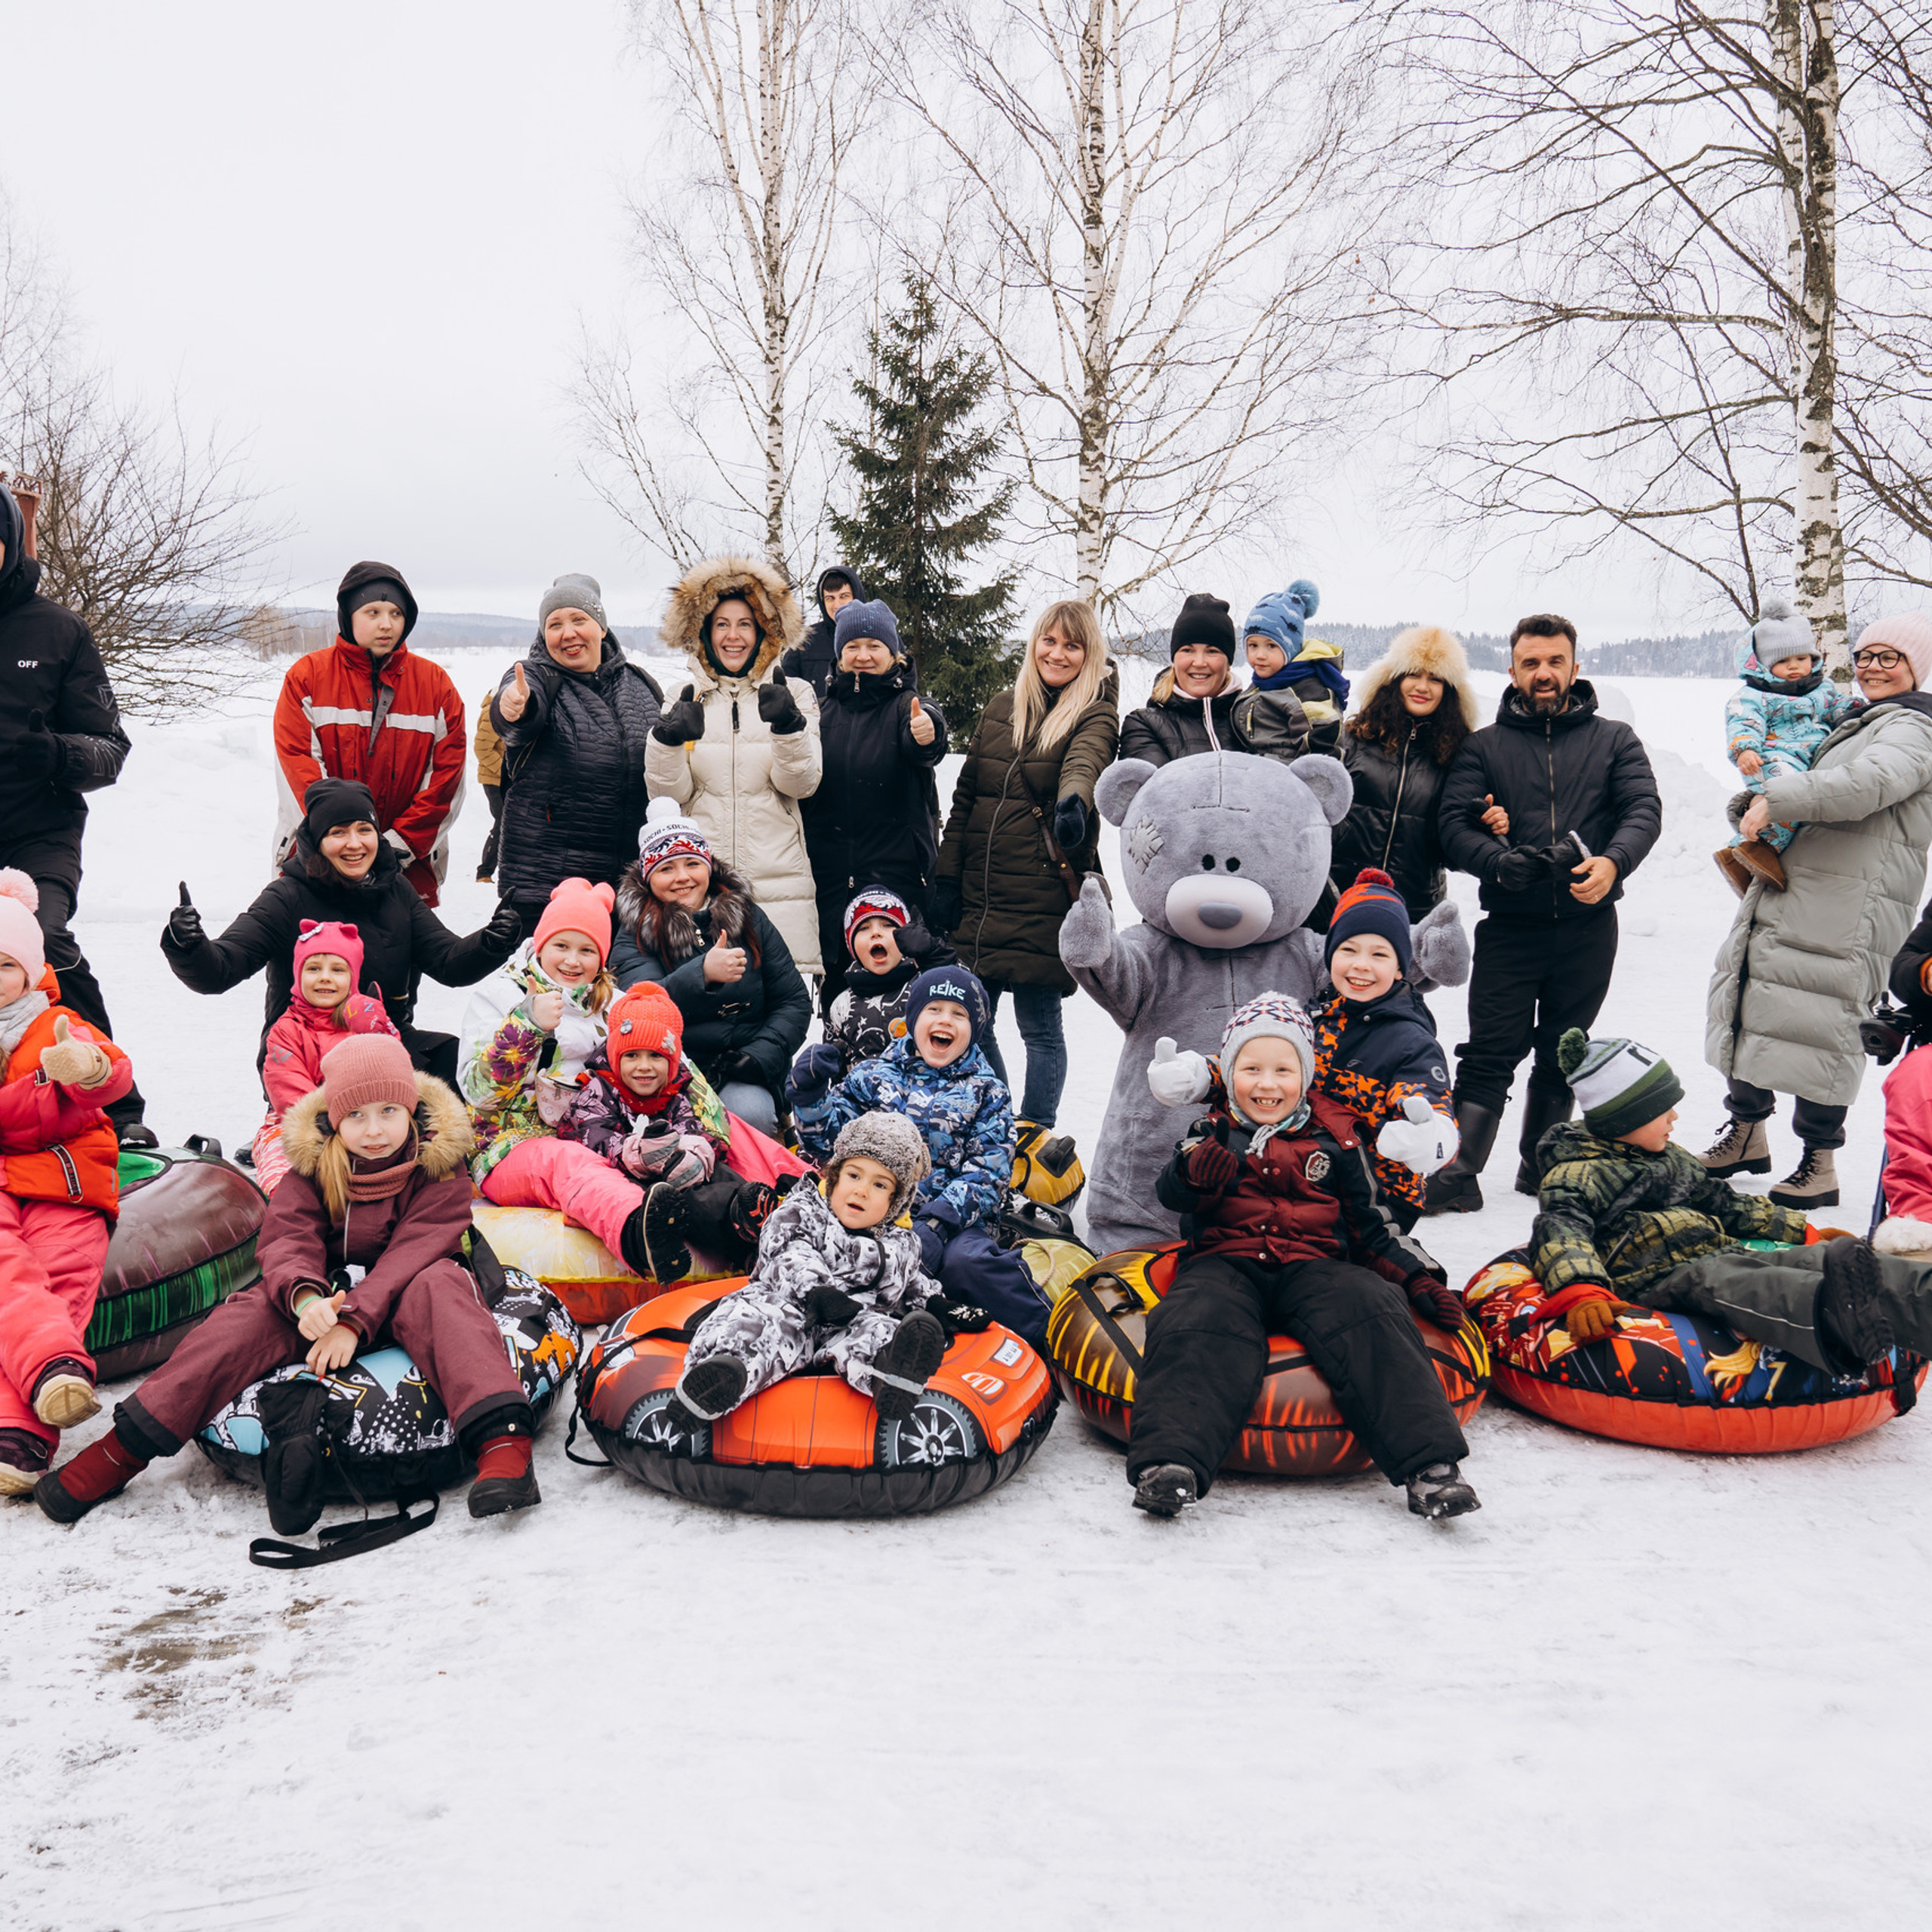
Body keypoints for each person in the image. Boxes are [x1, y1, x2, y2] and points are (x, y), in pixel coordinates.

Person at [36, 1035, 545, 1526]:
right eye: (357, 1116)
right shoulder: (313, 1166)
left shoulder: (438, 1164)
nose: (374, 1130)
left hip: (414, 1284)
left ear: (412, 1111)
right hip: (330, 1288)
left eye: (389, 1112)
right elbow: (287, 1237)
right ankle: (125, 1449)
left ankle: (502, 1443)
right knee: (242, 1318)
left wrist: (352, 1322)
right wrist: (305, 1299)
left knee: (438, 1287)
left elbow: (416, 1250)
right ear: (333, 1120)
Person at [1125, 993, 1477, 1522]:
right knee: (1195, 1319)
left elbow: (1374, 1226)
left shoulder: (1339, 1138)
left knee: (1373, 1308)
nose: (1267, 1084)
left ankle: (1431, 1466)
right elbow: (1174, 1192)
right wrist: (1193, 1175)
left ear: (1306, 1074)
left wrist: (1419, 1278)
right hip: (1227, 1261)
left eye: (1283, 1070)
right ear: (1230, 1072)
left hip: (1318, 1266)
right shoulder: (1213, 1130)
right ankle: (1172, 1462)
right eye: (1251, 1069)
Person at [1527, 1026, 1931, 1395]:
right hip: (1658, 1276)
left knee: (1809, 1260)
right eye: (1661, 1110)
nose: (1674, 1117)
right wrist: (1580, 1290)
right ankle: (1838, 1323)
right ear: (1623, 1118)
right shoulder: (1576, 1175)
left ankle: (1922, 1298)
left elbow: (1726, 1204)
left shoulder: (1671, 1158)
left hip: (1717, 1250)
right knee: (1747, 1283)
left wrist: (1804, 1233)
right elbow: (1562, 1234)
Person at [1427, 614, 1661, 1213]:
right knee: (1490, 1050)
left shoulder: (1615, 740)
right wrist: (1496, 863)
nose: (1544, 673)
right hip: (1512, 927)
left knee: (1565, 1050)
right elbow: (1453, 824)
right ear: (1512, 671)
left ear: (1575, 667)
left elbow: (1643, 810)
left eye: (1555, 661)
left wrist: (1612, 863)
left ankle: (1540, 1165)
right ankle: (1459, 1171)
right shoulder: (1485, 747)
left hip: (1588, 927)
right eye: (1531, 663)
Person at [1701, 614, 1932, 1208]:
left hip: (1854, 904)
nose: (1874, 667)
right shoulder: (1855, 720)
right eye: (1866, 655)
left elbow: (1866, 785)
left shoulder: (1913, 728)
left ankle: (1819, 1163)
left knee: (1825, 1027)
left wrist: (1776, 798)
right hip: (1806, 887)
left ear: (1915, 668)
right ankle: (1748, 1132)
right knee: (1755, 998)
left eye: (1890, 658)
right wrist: (1757, 799)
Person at [165, 777, 519, 1085]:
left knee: (453, 1061)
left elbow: (448, 962)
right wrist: (189, 945)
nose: (355, 843)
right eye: (338, 832)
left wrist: (492, 942)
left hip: (387, 1041)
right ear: (317, 841)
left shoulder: (397, 890)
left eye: (364, 830)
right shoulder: (286, 896)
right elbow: (221, 969)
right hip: (304, 1051)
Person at [931, 599, 1119, 1132]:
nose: (1057, 654)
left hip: (1041, 895)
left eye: (1072, 645)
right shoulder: (1001, 707)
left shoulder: (1095, 711)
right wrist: (946, 877)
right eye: (1050, 641)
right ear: (1035, 642)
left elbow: (1087, 759)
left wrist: (1074, 805)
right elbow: (964, 801)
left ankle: (1034, 1132)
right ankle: (997, 1117)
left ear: (1089, 655)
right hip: (982, 898)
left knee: (1039, 1028)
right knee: (971, 1017)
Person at [790, 965, 1051, 1349]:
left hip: (952, 1223)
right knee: (819, 1249)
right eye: (934, 1009)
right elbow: (828, 1144)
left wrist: (939, 1222)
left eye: (959, 1014)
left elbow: (989, 1171)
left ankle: (1045, 1340)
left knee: (969, 1263)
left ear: (974, 1029)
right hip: (867, 1207)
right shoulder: (873, 1075)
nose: (945, 1020)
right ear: (913, 1019)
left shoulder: (987, 1091)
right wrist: (810, 1096)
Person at [0, 478, 149, 1146]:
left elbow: (110, 749)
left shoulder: (59, 630)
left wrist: (55, 754)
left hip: (39, 828)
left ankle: (116, 1105)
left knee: (43, 947)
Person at [671, 1113, 976, 1425]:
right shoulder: (803, 1210)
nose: (861, 1191)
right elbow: (788, 1251)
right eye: (854, 1176)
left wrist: (939, 1304)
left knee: (877, 1331)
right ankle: (720, 1377)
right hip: (792, 1305)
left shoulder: (903, 1243)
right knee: (757, 1326)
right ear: (834, 1176)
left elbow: (913, 1281)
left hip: (850, 1319)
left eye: (879, 1185)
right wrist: (815, 1291)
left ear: (896, 1202)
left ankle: (891, 1373)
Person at [0, 869, 135, 1494]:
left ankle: (25, 1427)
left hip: (65, 1177)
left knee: (62, 1272)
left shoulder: (54, 1023)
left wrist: (85, 1068)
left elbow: (113, 1072)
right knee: (6, 1272)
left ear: (30, 972)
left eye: (5, 965)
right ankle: (50, 1380)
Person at [647, 555, 823, 974]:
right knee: (705, 1015)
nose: (733, 636)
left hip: (779, 887)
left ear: (763, 630)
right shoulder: (683, 694)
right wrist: (668, 740)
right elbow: (670, 798)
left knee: (781, 1019)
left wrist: (788, 727)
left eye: (745, 623)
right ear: (705, 632)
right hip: (701, 889)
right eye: (722, 624)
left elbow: (802, 784)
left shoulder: (794, 693)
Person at [552, 982, 780, 1281]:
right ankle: (740, 1235)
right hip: (632, 1176)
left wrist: (693, 1155)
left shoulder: (675, 1093)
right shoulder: (598, 1091)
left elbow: (693, 1128)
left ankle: (750, 1208)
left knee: (717, 1173)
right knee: (688, 1201)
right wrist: (639, 1153)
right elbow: (595, 1137)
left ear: (671, 1062)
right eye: (632, 1056)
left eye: (656, 1057)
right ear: (615, 1056)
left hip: (672, 1168)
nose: (644, 1067)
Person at [611, 801, 811, 1140]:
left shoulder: (747, 916)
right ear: (648, 876)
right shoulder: (635, 930)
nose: (683, 878)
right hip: (671, 1075)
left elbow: (793, 1001)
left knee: (748, 1114)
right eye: (666, 869)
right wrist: (700, 974)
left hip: (744, 1072)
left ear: (709, 866)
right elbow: (638, 1009)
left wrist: (757, 1058)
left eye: (692, 863)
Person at [271, 561, 466, 907]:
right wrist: (339, 841)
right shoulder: (308, 678)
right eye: (372, 611)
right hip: (316, 865)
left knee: (395, 958)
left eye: (396, 613)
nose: (386, 624)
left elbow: (445, 781)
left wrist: (395, 846)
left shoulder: (436, 686)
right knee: (313, 958)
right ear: (348, 615)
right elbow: (297, 767)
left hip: (406, 870)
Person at [491, 573, 663, 929]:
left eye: (579, 620)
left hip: (627, 890)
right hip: (547, 891)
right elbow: (517, 713)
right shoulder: (536, 677)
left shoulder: (641, 684)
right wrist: (512, 707)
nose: (567, 633)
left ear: (601, 627)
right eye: (554, 624)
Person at [799, 599, 949, 1004]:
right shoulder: (821, 712)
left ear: (893, 653)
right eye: (852, 647)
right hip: (832, 891)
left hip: (894, 888)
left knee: (899, 1007)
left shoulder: (906, 707)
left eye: (874, 645)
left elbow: (926, 737)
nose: (863, 655)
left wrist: (927, 732)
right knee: (837, 1007)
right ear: (839, 654)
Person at [1329, 626, 1479, 922]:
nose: (1423, 687)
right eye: (1413, 674)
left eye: (1435, 679)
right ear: (1393, 680)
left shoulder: (1458, 757)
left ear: (1449, 691)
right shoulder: (1352, 739)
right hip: (1339, 896)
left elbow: (1455, 852)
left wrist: (1477, 825)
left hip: (1415, 908)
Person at [1713, 597, 1862, 897]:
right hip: (1772, 757)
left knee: (1803, 800)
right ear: (1766, 666)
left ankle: (1743, 858)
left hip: (1811, 760)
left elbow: (1837, 708)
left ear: (1813, 657)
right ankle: (1755, 850)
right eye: (1782, 661)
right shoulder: (1755, 694)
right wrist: (1744, 749)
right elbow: (1743, 721)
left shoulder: (1824, 688)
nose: (1794, 667)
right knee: (1788, 795)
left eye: (1800, 658)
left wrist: (1855, 709)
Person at [252, 918, 401, 1193]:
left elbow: (392, 1074)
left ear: (353, 978)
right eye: (313, 968)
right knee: (288, 1177)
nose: (324, 977)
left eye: (337, 970)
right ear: (298, 976)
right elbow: (288, 1091)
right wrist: (333, 1128)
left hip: (364, 1119)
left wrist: (381, 1033)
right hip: (296, 1123)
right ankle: (286, 1223)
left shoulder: (362, 1020)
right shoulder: (287, 1030)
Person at [1117, 592, 1311, 766]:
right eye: (1188, 650)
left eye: (1212, 651)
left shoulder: (1257, 715)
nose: (1199, 662)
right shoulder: (1145, 724)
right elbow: (1152, 793)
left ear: (1228, 663)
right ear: (1174, 659)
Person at [813, 887, 956, 1076]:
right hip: (866, 1100)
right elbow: (836, 1070)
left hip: (925, 1096)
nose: (876, 933)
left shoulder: (927, 984)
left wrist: (935, 953)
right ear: (852, 945)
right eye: (864, 928)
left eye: (888, 925)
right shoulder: (842, 1004)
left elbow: (971, 998)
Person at [1241, 582, 1349, 752]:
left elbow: (1322, 751)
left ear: (1290, 649)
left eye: (1271, 646)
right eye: (1253, 645)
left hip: (1284, 776)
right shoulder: (1260, 685)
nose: (1260, 655)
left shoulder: (1306, 692)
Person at [778, 563, 866, 699]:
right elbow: (785, 691)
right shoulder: (806, 640)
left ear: (856, 596)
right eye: (830, 598)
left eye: (844, 596)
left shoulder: (877, 635)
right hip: (818, 718)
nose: (837, 605)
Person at [474, 690, 506, 884]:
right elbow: (482, 748)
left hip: (502, 778)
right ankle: (484, 872)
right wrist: (505, 773)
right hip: (494, 779)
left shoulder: (505, 707)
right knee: (503, 823)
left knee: (508, 824)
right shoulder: (494, 711)